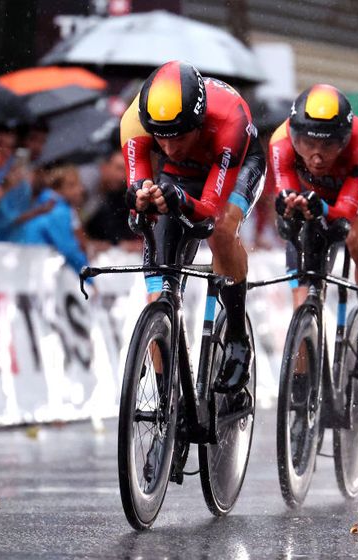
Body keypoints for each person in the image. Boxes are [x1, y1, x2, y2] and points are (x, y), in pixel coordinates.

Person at [120, 61, 265, 406]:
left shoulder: (231, 119)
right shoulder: (133, 122)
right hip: (179, 178)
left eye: (180, 136)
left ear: (198, 123)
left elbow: (209, 213)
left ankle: (236, 337)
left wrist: (181, 199)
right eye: (161, 139)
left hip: (234, 167)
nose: (168, 148)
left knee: (222, 232)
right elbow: (136, 198)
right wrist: (140, 200)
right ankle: (170, 409)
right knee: (159, 292)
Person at [268, 84, 358, 381]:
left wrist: (320, 207)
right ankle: (300, 387)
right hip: (315, 199)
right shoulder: (280, 141)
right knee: (301, 296)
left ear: (345, 140)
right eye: (307, 143)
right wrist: (289, 208)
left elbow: (346, 212)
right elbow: (283, 196)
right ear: (294, 136)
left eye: (329, 145)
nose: (317, 156)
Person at [19, 165, 91, 278]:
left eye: (79, 184)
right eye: (72, 185)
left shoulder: (42, 204)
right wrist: (89, 277)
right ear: (57, 189)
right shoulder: (59, 210)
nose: (79, 189)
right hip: (36, 268)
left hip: (25, 264)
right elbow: (68, 249)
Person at [83, 151, 141, 251]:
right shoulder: (85, 186)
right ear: (104, 167)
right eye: (118, 168)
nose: (122, 176)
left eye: (126, 171)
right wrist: (87, 243)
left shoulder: (118, 194)